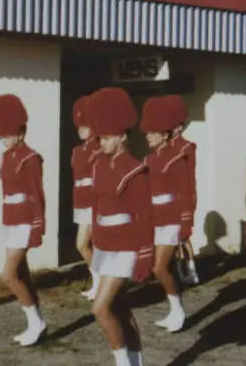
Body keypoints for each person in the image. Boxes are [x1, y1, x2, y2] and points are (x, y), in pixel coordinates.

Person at [87, 87, 155, 366]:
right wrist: (95, 241)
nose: (101, 142)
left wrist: (145, 255)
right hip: (105, 245)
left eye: (105, 138)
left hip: (126, 247)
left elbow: (144, 217)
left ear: (122, 137)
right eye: (99, 137)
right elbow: (96, 208)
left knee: (99, 308)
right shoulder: (98, 165)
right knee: (120, 308)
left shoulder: (135, 170)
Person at [0, 94, 47, 346]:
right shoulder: (6, 157)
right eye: (1, 134)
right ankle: (36, 322)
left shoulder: (30, 158)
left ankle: (37, 322)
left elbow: (37, 196)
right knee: (22, 273)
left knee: (9, 275)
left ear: (21, 132)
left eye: (8, 134)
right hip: (11, 220)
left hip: (25, 221)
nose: (4, 139)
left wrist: (37, 228)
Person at [141, 96, 190, 333]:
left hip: (171, 218)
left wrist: (185, 224)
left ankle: (178, 310)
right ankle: (175, 308)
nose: (148, 136)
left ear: (165, 133)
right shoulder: (149, 159)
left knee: (159, 268)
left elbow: (186, 193)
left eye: (152, 132)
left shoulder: (177, 158)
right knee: (161, 267)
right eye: (147, 132)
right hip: (155, 217)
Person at [162, 94, 200, 285]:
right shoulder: (167, 146)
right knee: (175, 238)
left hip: (183, 194)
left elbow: (186, 174)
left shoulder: (187, 147)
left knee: (184, 237)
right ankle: (179, 271)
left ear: (179, 127)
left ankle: (192, 269)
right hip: (170, 197)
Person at [71, 95, 102, 300]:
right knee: (82, 245)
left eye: (86, 125)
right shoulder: (76, 150)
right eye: (79, 125)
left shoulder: (99, 149)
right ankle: (98, 281)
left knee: (91, 243)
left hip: (94, 201)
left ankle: (102, 284)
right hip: (80, 200)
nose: (81, 129)